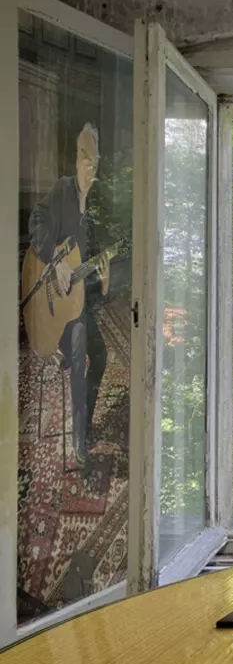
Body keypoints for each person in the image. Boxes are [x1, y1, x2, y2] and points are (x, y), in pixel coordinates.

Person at [28, 123, 110, 469]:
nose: (85, 163)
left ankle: (84, 423)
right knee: (79, 354)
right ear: (75, 158)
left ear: (97, 162)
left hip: (76, 304)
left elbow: (88, 278)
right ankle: (78, 441)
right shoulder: (62, 190)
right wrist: (55, 260)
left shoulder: (95, 210)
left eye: (91, 158)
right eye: (80, 155)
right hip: (54, 304)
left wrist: (104, 283)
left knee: (101, 356)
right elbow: (36, 221)